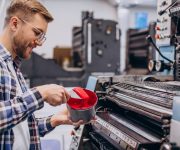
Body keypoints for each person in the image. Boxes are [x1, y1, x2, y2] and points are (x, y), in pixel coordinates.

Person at [0, 0, 83, 149]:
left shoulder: (13, 68)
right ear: (14, 24)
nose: (39, 43)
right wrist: (40, 93)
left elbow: (20, 130)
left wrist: (55, 119)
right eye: (37, 33)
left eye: (42, 36)